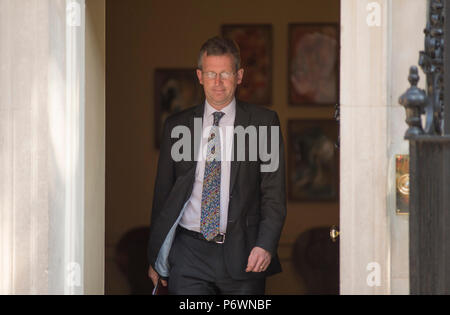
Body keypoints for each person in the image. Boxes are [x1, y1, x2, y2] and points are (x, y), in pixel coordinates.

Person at [147, 36, 286, 295]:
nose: (218, 82)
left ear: (239, 75)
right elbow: (163, 195)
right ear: (200, 76)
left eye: (225, 73)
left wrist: (265, 244)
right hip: (188, 254)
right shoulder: (177, 126)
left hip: (244, 254)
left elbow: (274, 194)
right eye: (211, 73)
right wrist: (155, 255)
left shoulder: (264, 123)